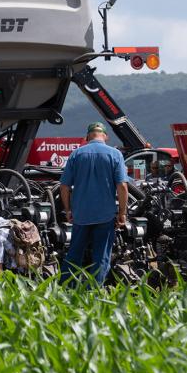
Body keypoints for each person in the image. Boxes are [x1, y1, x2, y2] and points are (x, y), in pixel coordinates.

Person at [59, 122, 128, 285]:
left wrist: (68, 209)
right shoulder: (115, 154)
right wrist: (122, 213)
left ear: (88, 137)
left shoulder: (76, 154)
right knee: (101, 257)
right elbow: (122, 186)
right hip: (105, 215)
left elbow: (64, 186)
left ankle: (65, 290)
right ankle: (95, 294)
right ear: (105, 136)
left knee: (74, 254)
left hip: (80, 215)